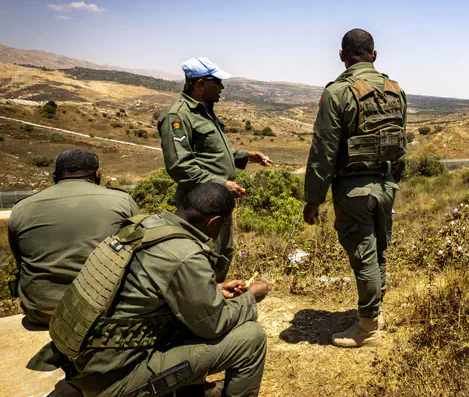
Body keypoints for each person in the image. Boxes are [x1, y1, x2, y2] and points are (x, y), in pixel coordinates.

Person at [29, 182, 270, 397]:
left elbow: (143, 290)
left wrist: (214, 289)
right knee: (251, 338)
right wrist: (251, 297)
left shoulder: (146, 227)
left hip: (83, 361)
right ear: (215, 222)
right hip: (114, 377)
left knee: (188, 322)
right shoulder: (185, 254)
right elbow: (213, 325)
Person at [303, 29, 407, 348]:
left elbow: (324, 150)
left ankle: (368, 329)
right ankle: (373, 312)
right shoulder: (394, 90)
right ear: (373, 56)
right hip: (385, 186)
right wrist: (392, 182)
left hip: (353, 191)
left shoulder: (337, 93)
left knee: (364, 256)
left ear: (342, 56)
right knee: (378, 252)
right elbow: (400, 145)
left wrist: (313, 199)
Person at [157, 57, 273, 283]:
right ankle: (200, 308)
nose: (221, 87)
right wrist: (222, 183)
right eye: (217, 82)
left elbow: (211, 152)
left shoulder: (204, 112)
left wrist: (247, 156)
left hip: (218, 200)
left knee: (223, 254)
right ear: (200, 84)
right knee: (204, 258)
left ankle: (214, 306)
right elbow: (180, 166)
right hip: (199, 205)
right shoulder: (178, 116)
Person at [7, 149, 140, 327]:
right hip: (106, 309)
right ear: (98, 174)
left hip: (42, 312)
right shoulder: (123, 201)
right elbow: (139, 253)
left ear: (55, 177)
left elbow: (20, 262)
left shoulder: (21, 208)